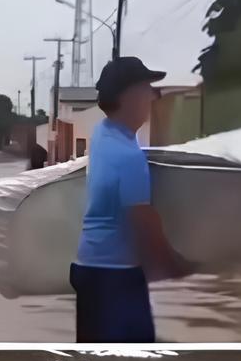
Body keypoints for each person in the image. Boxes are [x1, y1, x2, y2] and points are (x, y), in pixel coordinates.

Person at [72, 57, 195, 343]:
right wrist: (178, 266)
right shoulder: (128, 157)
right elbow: (143, 222)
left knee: (95, 359)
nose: (153, 97)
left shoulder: (102, 133)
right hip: (115, 278)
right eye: (147, 89)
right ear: (128, 97)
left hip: (88, 267)